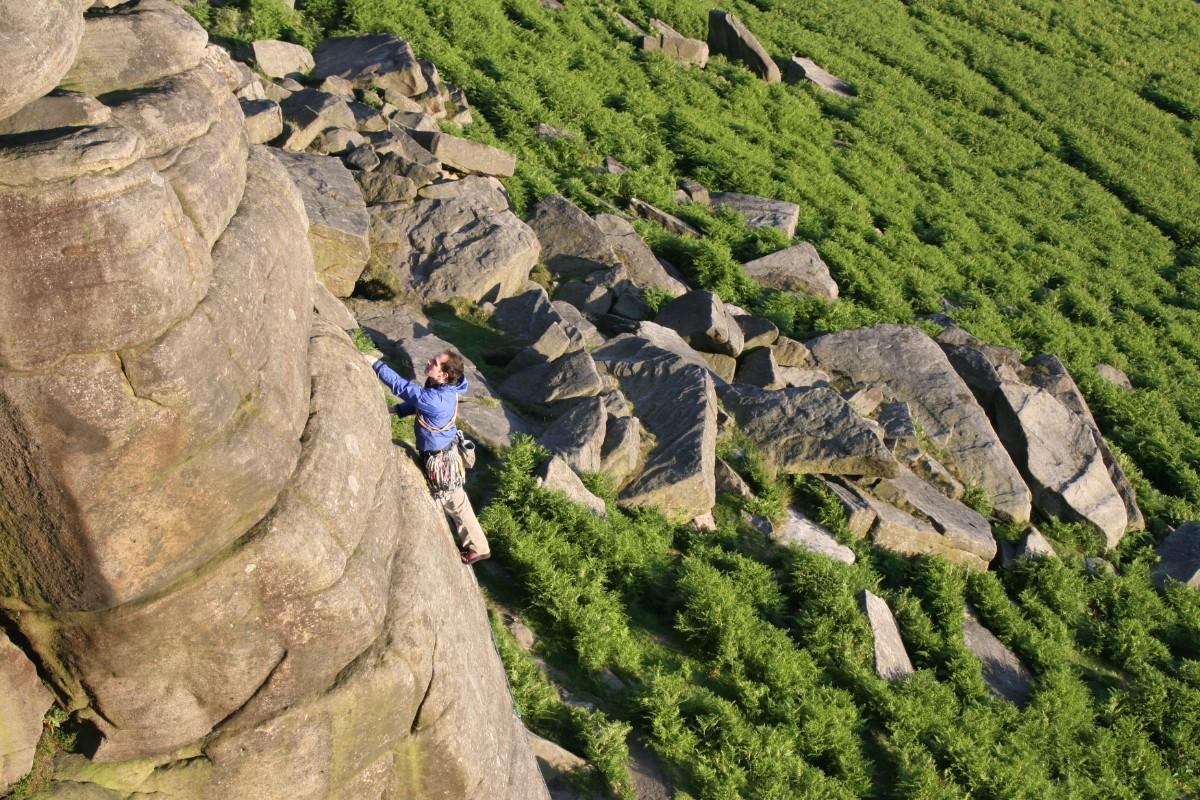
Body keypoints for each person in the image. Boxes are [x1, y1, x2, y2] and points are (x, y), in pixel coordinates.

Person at [363, 347, 491, 566]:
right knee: (455, 500)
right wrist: (398, 410)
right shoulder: (442, 386)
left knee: (454, 502)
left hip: (440, 459)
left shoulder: (438, 398)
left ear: (444, 375)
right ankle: (476, 545)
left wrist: (376, 364)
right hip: (441, 449)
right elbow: (419, 403)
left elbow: (405, 389)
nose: (429, 361)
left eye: (434, 362)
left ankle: (478, 548)